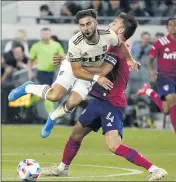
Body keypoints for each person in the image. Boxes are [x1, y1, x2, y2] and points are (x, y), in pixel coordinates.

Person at [41, 13, 167, 181]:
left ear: (120, 29)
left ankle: (155, 169)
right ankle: (62, 168)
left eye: (114, 23)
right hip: (99, 99)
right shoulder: (111, 45)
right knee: (76, 132)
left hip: (112, 103)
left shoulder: (116, 50)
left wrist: (72, 63)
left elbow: (102, 71)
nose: (110, 25)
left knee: (114, 146)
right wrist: (71, 59)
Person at [8, 10, 139, 137]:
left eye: (88, 24)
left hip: (90, 70)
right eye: (82, 25)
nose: (85, 28)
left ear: (96, 24)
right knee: (55, 96)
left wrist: (130, 59)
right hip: (73, 67)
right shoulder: (75, 42)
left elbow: (121, 45)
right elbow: (76, 71)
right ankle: (28, 87)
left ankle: (52, 117)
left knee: (72, 102)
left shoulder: (109, 35)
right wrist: (96, 77)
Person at [137, 18, 176, 133]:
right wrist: (152, 71)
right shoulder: (161, 42)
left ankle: (148, 91)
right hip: (164, 77)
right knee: (172, 99)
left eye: (175, 25)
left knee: (166, 110)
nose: (172, 27)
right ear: (167, 28)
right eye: (170, 25)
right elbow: (150, 59)